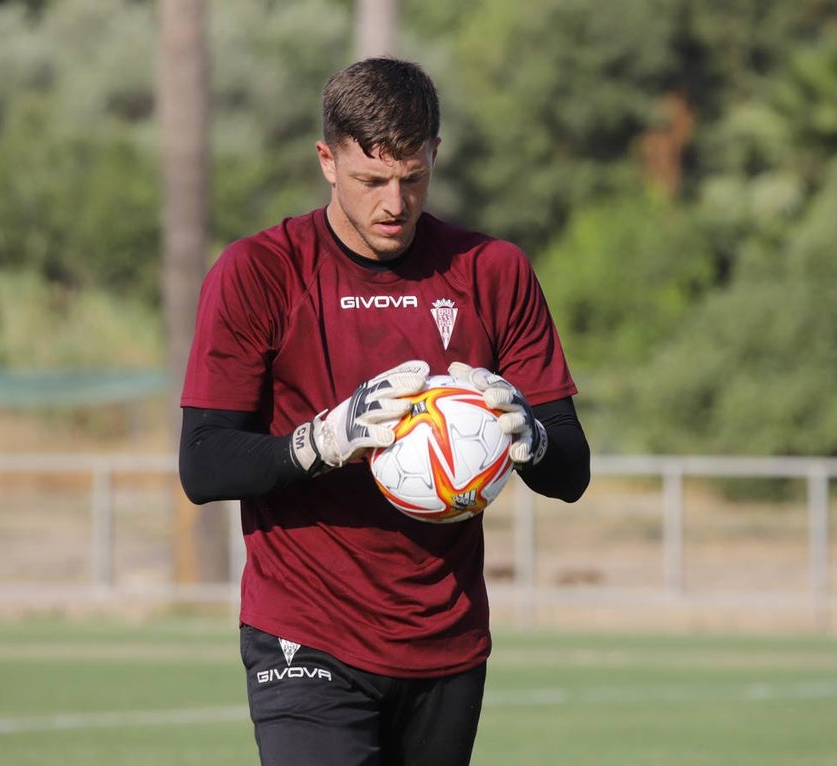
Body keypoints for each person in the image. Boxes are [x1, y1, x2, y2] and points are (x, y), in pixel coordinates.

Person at [179, 57, 591, 766]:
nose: (394, 204)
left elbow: (572, 471)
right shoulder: (259, 272)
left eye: (414, 178)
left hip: (447, 641)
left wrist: (531, 437)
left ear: (435, 154)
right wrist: (319, 442)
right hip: (303, 632)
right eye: (371, 180)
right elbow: (203, 462)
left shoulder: (492, 271)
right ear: (327, 161)